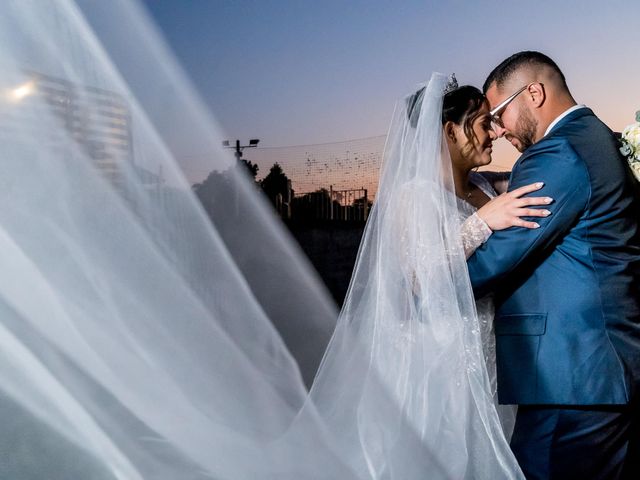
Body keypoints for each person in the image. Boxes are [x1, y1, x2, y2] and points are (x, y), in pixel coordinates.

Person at [467, 51, 640, 479]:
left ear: (535, 93)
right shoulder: (596, 136)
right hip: (597, 373)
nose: (498, 130)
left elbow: (502, 255)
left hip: (573, 378)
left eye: (500, 114)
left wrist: (428, 277)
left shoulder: (557, 152)